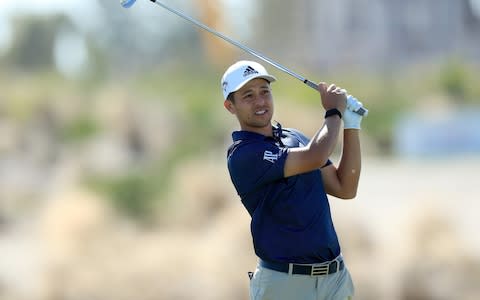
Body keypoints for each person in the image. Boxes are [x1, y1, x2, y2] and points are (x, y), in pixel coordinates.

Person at [221, 60, 364, 300]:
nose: (260, 101)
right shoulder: (243, 154)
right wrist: (333, 112)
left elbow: (345, 187)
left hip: (334, 279)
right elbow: (315, 155)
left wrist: (351, 125)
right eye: (248, 96)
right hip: (285, 285)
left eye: (264, 92)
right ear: (230, 106)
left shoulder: (295, 138)